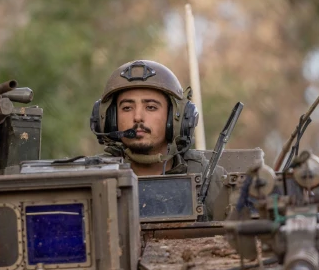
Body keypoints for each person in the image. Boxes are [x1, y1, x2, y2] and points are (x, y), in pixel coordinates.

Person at [90, 60, 229, 219]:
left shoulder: (209, 180)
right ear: (110, 119)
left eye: (151, 107)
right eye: (127, 108)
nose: (137, 117)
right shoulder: (94, 177)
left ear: (175, 118)